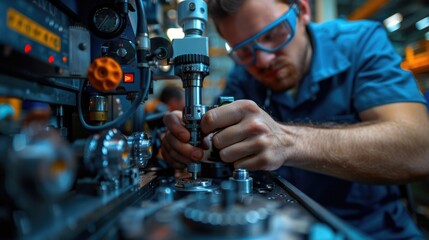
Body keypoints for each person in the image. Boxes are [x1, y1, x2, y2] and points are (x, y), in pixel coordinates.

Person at [160, 0, 429, 238]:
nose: (263, 60)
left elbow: (419, 150)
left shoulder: (360, 43)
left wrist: (289, 142)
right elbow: (216, 144)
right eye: (244, 51)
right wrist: (189, 146)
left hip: (370, 229)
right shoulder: (243, 78)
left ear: (302, 10)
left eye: (273, 34)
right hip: (280, 227)